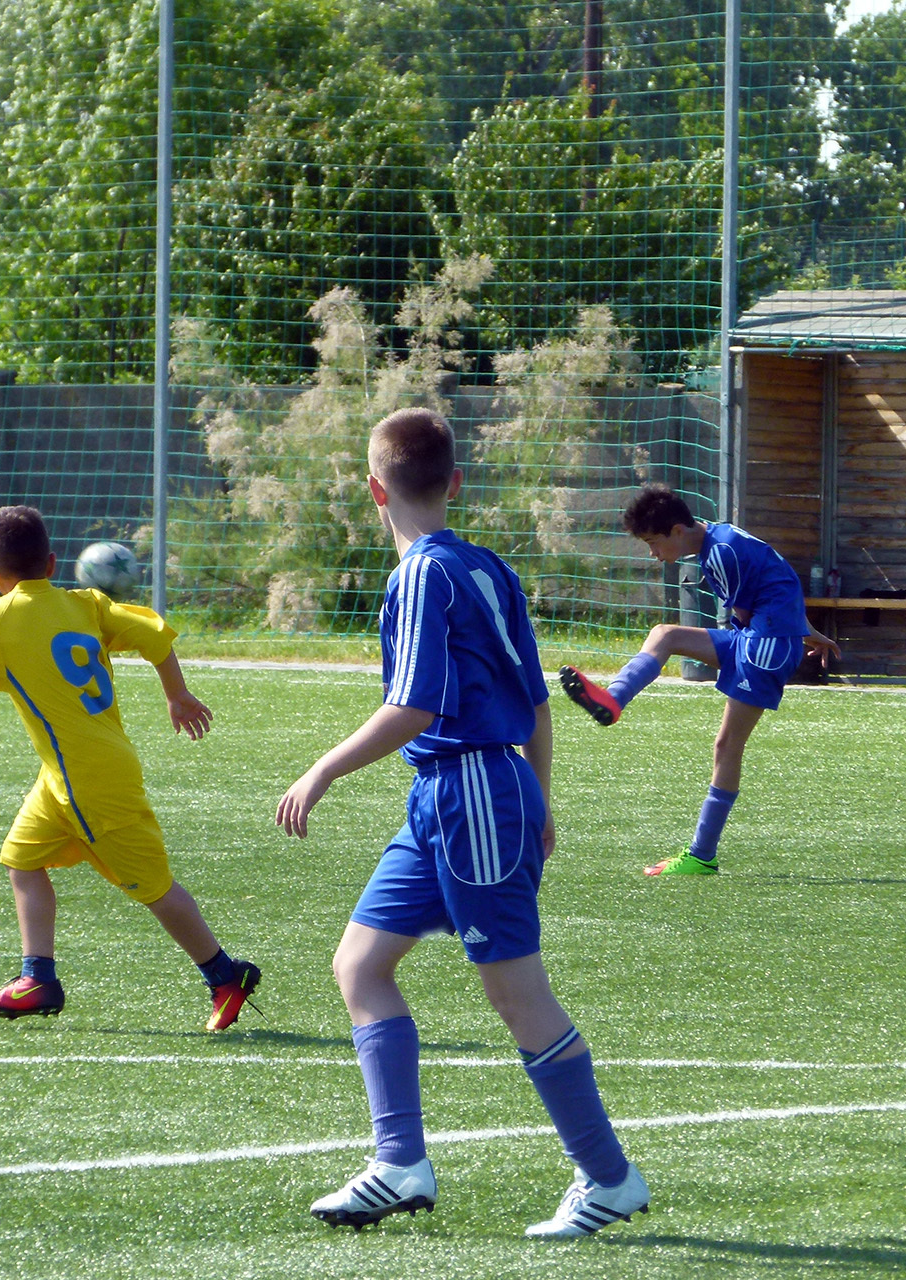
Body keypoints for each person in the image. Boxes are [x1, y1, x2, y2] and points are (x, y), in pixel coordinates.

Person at [278, 408, 649, 1239]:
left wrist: (322, 769)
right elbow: (536, 700)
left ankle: (609, 1178)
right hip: (460, 795)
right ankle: (399, 1163)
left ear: (374, 490)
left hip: (470, 792)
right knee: (360, 965)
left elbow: (413, 707)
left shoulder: (421, 575)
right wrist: (540, 796)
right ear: (454, 482)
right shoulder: (488, 566)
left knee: (517, 996)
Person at [0, 505, 260, 1031]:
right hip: (70, 772)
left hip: (86, 779)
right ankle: (37, 978)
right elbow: (154, 634)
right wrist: (177, 694)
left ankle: (225, 974)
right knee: (21, 859)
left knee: (154, 887)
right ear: (53, 564)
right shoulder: (87, 603)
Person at [557, 484, 839, 876]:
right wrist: (807, 633)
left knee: (727, 745)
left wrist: (797, 636)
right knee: (665, 635)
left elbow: (757, 607)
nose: (654, 555)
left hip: (763, 647)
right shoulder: (719, 540)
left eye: (653, 543)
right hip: (762, 638)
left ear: (677, 530)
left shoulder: (720, 554)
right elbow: (779, 586)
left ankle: (702, 854)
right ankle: (613, 699)